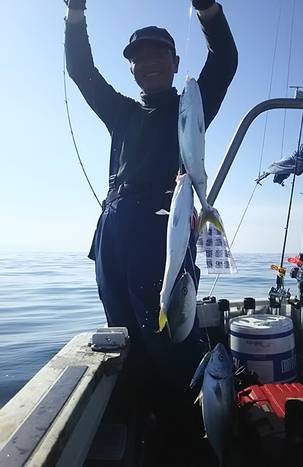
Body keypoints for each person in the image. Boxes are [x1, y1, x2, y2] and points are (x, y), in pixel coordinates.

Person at [64, 1, 237, 465]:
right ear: (133, 68)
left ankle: (194, 436)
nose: (151, 62)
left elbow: (225, 62)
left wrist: (207, 10)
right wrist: (76, 14)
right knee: (125, 336)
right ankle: (149, 429)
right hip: (113, 235)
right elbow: (82, 71)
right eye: (141, 56)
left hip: (162, 230)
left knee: (173, 340)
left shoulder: (191, 106)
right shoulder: (121, 112)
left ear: (175, 62)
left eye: (160, 53)